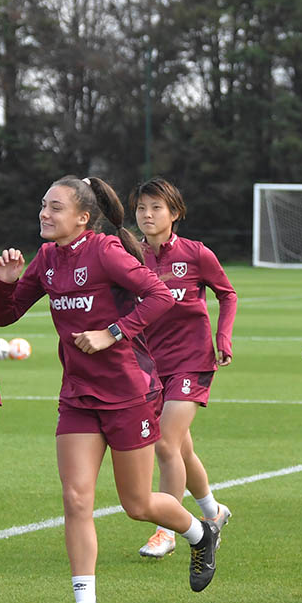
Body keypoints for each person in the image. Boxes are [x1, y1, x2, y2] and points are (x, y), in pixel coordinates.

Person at [0, 175, 220, 603]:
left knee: (137, 504)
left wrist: (112, 332)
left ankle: (201, 531)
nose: (44, 214)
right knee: (77, 499)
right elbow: (5, 316)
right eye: (43, 204)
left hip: (128, 393)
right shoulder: (48, 259)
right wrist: (4, 284)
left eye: (55, 208)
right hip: (77, 395)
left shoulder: (106, 251)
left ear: (82, 216)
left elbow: (160, 295)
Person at [131, 178, 236, 558]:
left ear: (174, 214)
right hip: (148, 365)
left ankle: (167, 530)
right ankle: (213, 512)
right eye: (142, 207)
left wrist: (223, 337)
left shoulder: (196, 254)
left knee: (164, 443)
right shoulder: (128, 254)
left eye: (156, 207)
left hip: (192, 362)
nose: (147, 214)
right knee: (181, 448)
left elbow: (227, 294)